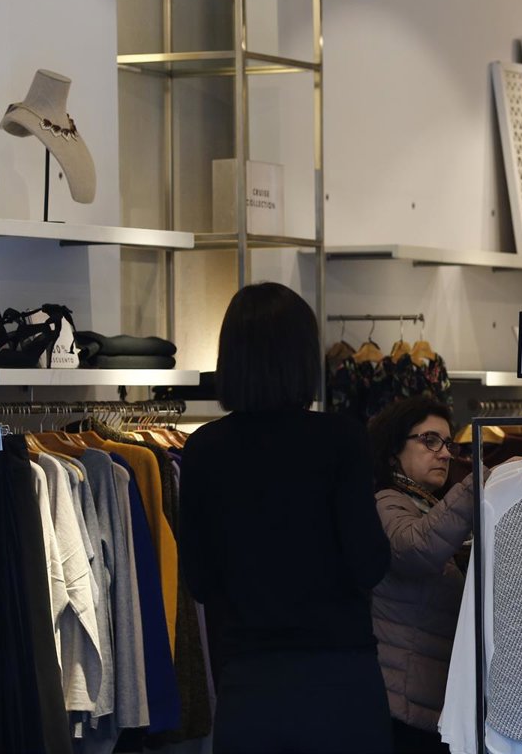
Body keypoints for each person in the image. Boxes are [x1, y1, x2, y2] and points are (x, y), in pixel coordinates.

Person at [179, 282, 392, 753]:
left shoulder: (203, 450)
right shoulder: (341, 440)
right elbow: (368, 564)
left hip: (248, 684)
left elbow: (201, 580)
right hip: (340, 680)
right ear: (302, 357)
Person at [368, 396, 476, 754]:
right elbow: (415, 549)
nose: (444, 454)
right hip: (403, 704)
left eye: (448, 444)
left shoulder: (425, 505)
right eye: (430, 441)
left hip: (422, 698)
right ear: (393, 449)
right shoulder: (386, 502)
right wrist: (477, 486)